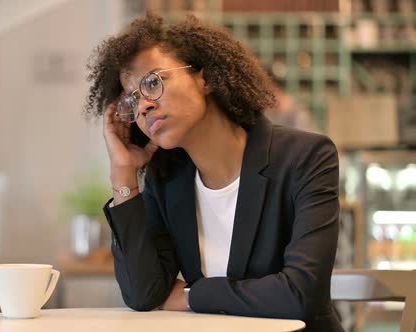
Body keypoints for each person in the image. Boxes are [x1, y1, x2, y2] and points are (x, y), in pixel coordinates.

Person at [84, 14, 343, 332]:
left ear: (204, 77)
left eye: (153, 83)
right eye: (132, 100)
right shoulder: (167, 182)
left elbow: (300, 295)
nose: (143, 108)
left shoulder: (305, 157)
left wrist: (192, 296)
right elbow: (144, 294)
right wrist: (123, 176)